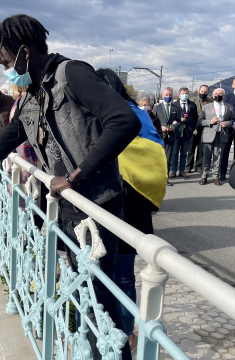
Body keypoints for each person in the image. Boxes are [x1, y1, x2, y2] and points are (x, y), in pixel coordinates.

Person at [0, 14, 141, 359]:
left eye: (6, 61)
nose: (6, 69)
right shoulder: (32, 97)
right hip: (66, 209)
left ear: (24, 52)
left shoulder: (72, 74)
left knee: (101, 302)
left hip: (97, 204)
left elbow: (125, 121)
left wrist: (75, 175)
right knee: (86, 296)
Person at [96, 68, 167, 353]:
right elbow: (156, 152)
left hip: (117, 199)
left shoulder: (110, 115)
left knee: (109, 273)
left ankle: (118, 334)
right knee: (123, 273)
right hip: (137, 203)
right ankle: (126, 335)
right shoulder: (141, 114)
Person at [199, 88, 234, 185]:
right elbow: (200, 121)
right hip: (208, 134)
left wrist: (227, 123)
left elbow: (232, 120)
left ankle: (216, 176)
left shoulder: (229, 107)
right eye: (216, 94)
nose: (218, 95)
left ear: (224, 96)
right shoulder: (206, 107)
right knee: (207, 156)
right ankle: (204, 176)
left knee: (218, 157)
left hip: (221, 134)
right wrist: (210, 121)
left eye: (220, 94)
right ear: (213, 96)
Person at [152, 87, 183, 186]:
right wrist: (160, 127)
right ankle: (156, 178)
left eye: (170, 95)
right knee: (157, 158)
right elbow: (152, 121)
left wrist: (173, 127)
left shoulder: (176, 108)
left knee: (168, 158)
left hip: (171, 136)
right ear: (162, 95)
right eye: (166, 95)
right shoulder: (157, 107)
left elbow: (179, 122)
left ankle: (165, 178)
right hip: (159, 136)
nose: (168, 97)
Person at [171, 87, 198, 178]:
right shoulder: (174, 105)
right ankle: (173, 170)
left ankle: (182, 170)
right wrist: (178, 121)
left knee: (184, 153)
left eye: (186, 93)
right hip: (176, 132)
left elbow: (195, 118)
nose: (184, 95)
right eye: (183, 93)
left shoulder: (192, 105)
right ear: (179, 95)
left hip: (187, 132)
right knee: (174, 153)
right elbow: (171, 118)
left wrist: (191, 127)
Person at [186, 85, 212, 173]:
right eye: (202, 91)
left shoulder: (211, 102)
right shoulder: (192, 101)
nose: (203, 93)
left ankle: (198, 167)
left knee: (201, 150)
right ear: (198, 91)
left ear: (208, 92)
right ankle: (188, 166)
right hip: (193, 128)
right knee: (191, 149)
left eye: (205, 92)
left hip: (205, 129)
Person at [220, 79, 235, 180]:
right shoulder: (227, 98)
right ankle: (222, 173)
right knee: (225, 151)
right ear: (233, 85)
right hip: (229, 129)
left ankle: (233, 175)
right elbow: (223, 113)